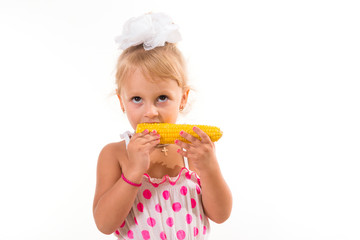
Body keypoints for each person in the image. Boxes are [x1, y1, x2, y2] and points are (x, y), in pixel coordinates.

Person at [93, 12, 232, 240]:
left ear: (183, 98)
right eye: (137, 99)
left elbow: (221, 214)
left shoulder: (191, 150)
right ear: (121, 102)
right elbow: (105, 224)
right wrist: (134, 172)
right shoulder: (115, 154)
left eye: (162, 98)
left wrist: (209, 168)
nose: (150, 112)